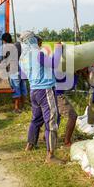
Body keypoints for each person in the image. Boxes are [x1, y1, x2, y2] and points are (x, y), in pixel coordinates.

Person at [19, 31, 63, 164]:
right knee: (51, 121)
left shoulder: (23, 57)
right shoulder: (38, 54)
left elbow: (24, 74)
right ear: (32, 40)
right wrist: (58, 48)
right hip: (45, 90)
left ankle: (30, 145)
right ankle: (50, 156)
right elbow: (54, 63)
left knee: (36, 119)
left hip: (33, 90)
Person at [36, 37, 77, 147]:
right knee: (72, 115)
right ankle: (67, 141)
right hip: (57, 94)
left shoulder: (53, 59)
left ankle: (45, 138)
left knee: (55, 117)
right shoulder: (57, 62)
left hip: (53, 92)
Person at [1, 33, 27, 113]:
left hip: (13, 70)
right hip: (22, 69)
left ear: (4, 40)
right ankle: (23, 107)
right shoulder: (18, 45)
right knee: (23, 88)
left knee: (16, 89)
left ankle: (16, 108)